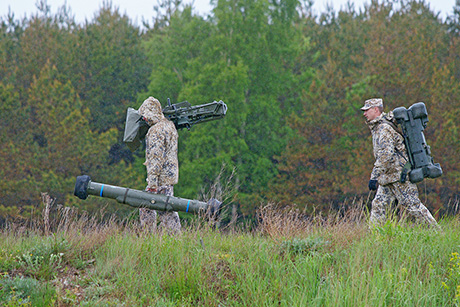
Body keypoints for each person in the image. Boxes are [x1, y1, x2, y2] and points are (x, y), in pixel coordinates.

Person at [361, 98, 439, 228]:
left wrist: (374, 176)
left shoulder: (383, 128)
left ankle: (437, 233)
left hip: (399, 176)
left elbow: (386, 155)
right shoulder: (378, 127)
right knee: (378, 206)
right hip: (388, 177)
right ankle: (374, 237)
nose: (364, 113)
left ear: (376, 110)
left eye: (367, 110)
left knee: (413, 206)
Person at [138, 96, 181, 233]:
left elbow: (155, 159)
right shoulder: (169, 126)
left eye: (144, 115)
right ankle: (176, 239)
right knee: (167, 210)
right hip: (169, 177)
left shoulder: (155, 131)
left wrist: (152, 184)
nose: (144, 119)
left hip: (160, 179)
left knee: (147, 206)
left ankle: (148, 236)